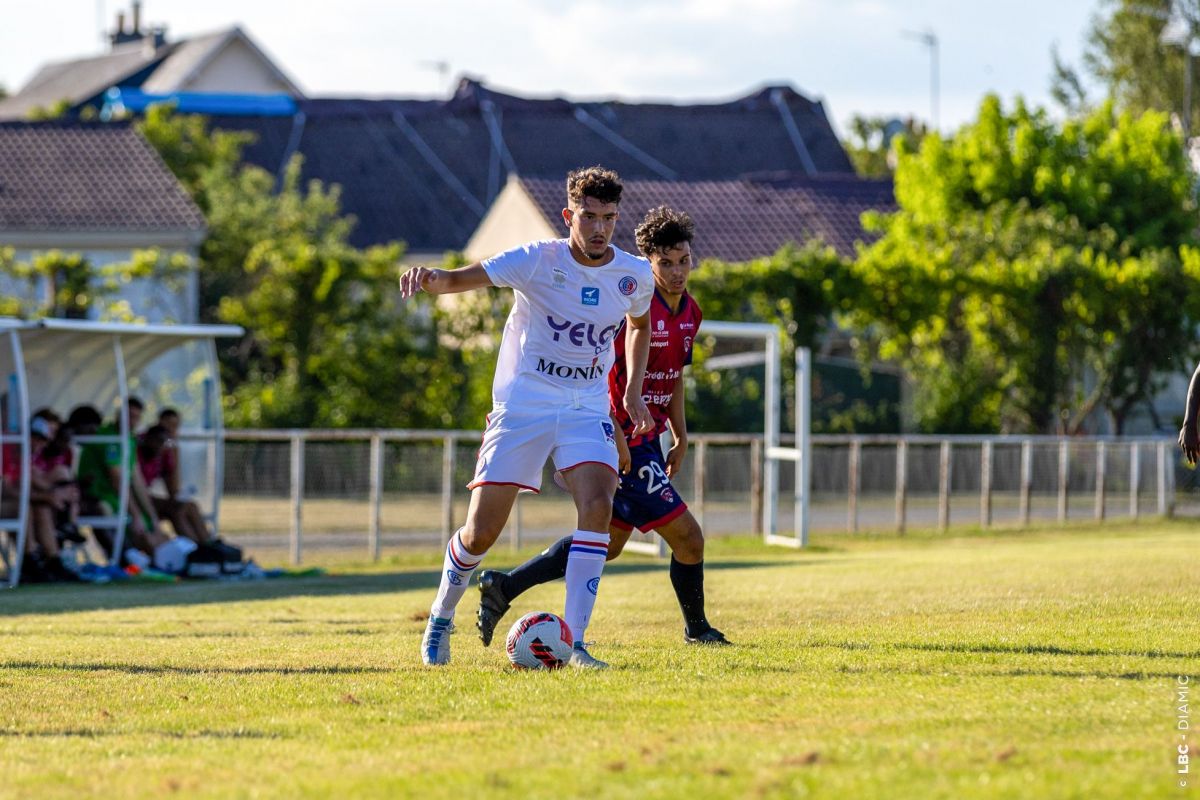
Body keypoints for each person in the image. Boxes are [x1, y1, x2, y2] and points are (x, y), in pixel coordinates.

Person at [399, 166, 655, 669]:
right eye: (588, 217)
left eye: (608, 218)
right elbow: (460, 279)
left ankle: (576, 644)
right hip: (525, 404)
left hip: (585, 406)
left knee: (599, 506)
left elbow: (639, 325)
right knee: (481, 533)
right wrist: (430, 279)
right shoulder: (538, 260)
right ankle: (440, 617)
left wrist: (631, 391)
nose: (599, 228)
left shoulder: (634, 274)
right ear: (569, 216)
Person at [475, 206, 730, 647]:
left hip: (649, 440)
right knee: (689, 539)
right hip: (619, 440)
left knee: (605, 546)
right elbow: (597, 373)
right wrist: (612, 434)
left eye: (683, 260)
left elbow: (673, 378)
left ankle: (504, 586)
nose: (676, 271)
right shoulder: (629, 306)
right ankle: (698, 630)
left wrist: (682, 435)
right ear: (647, 264)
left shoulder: (691, 312)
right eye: (665, 263)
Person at [75, 398, 168, 559]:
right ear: (119, 415)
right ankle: (154, 561)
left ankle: (172, 559)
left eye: (136, 417)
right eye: (129, 416)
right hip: (98, 495)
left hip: (114, 495)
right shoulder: (109, 438)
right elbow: (117, 481)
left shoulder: (129, 439)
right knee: (137, 525)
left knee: (153, 527)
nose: (132, 421)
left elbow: (137, 481)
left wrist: (151, 515)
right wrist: (136, 514)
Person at [137, 423, 211, 545]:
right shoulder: (136, 452)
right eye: (158, 441)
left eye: (164, 442)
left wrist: (178, 497)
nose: (160, 446)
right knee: (176, 510)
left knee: (190, 505)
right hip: (135, 499)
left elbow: (172, 487)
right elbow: (136, 489)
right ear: (148, 439)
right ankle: (196, 550)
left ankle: (208, 544)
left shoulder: (164, 454)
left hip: (147, 497)